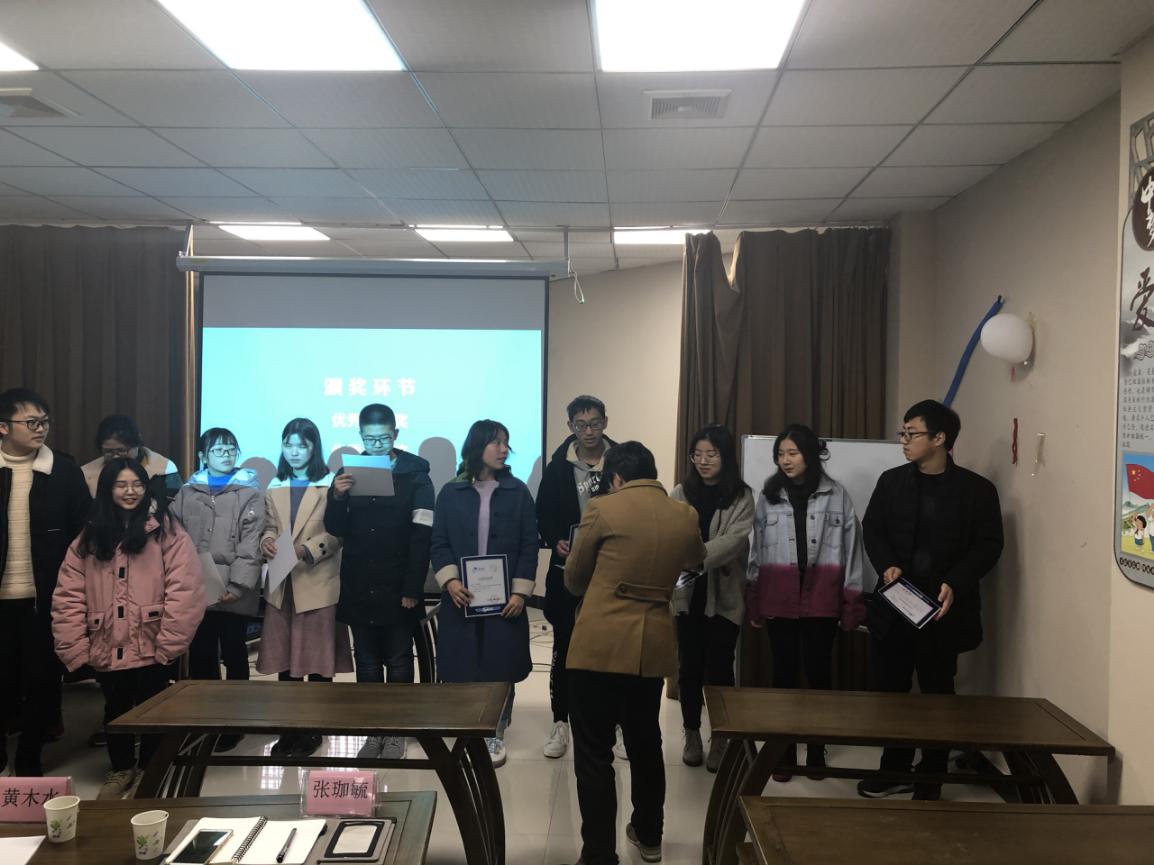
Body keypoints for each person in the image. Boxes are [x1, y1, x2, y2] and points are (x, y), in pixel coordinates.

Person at [562, 441, 706, 865]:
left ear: (616, 478)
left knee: (594, 753)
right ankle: (649, 836)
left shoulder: (602, 509)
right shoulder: (684, 514)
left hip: (599, 645)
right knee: (645, 743)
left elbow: (574, 579)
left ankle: (598, 854)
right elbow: (695, 559)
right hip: (651, 646)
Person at [858, 400, 1003, 801]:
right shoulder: (892, 481)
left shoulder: (977, 490)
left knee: (938, 693)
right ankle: (894, 768)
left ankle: (931, 777)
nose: (903, 441)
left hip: (942, 612)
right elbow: (873, 528)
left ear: (940, 438)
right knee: (891, 692)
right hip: (896, 605)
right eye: (902, 433)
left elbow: (989, 545)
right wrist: (886, 564)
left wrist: (956, 580)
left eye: (912, 433)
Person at [52, 458, 205, 798]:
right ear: (108, 489)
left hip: (153, 641)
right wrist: (74, 646)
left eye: (137, 484)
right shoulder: (90, 535)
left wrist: (171, 641)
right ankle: (121, 768)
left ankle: (152, 768)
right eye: (121, 484)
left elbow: (186, 588)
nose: (130, 491)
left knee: (155, 708)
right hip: (107, 641)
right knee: (116, 708)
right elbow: (68, 595)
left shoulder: (165, 529)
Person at [746, 424, 867, 782]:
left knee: (818, 674)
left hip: (821, 596)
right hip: (779, 596)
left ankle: (816, 748)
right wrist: (754, 597)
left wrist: (852, 600)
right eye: (780, 454)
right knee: (782, 674)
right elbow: (756, 551)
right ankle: (781, 751)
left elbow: (852, 551)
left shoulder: (836, 494)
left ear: (810, 455)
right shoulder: (769, 496)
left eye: (793, 453)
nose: (785, 460)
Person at [324, 404, 433, 761]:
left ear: (395, 435)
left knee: (399, 659)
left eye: (383, 439)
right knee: (367, 661)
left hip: (399, 582)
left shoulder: (416, 475)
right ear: (360, 436)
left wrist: (412, 588)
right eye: (369, 440)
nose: (376, 445)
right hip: (359, 581)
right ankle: (373, 731)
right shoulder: (347, 473)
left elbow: (422, 535)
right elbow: (336, 528)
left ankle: (397, 731)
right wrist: (337, 496)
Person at [430, 420, 536, 769]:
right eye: (496, 443)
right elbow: (439, 542)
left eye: (506, 443)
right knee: (462, 661)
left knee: (500, 663)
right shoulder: (451, 492)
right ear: (477, 446)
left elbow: (528, 545)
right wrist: (450, 581)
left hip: (505, 598)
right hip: (462, 595)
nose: (504, 450)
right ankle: (467, 728)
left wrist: (520, 593)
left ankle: (495, 730)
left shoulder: (517, 491)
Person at [0, 388, 90, 776]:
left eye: (45, 422)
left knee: (41, 680)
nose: (41, 429)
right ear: (3, 427)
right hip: (2, 599)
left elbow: (83, 533)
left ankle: (29, 758)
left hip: (46, 597)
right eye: (31, 422)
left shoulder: (64, 470)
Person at [257, 418, 350, 759]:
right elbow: (269, 526)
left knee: (318, 664)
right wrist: (267, 541)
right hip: (283, 582)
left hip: (317, 580)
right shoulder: (275, 485)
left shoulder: (330, 484)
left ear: (314, 447)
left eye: (302, 445)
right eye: (288, 445)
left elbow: (339, 531)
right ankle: (289, 729)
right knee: (286, 664)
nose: (294, 452)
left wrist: (307, 549)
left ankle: (313, 729)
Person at [171, 427, 264, 752]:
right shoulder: (187, 492)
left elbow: (251, 544)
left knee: (235, 653)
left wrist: (238, 585)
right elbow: (175, 539)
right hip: (197, 588)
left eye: (230, 449)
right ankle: (206, 720)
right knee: (201, 653)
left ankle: (234, 722)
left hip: (235, 589)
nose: (226, 455)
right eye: (218, 450)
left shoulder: (250, 491)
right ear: (203, 456)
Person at [535, 394, 617, 760]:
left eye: (595, 423)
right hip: (567, 571)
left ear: (605, 423)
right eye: (581, 424)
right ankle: (560, 722)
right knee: (565, 647)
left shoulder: (621, 461)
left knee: (611, 650)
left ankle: (614, 723)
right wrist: (556, 539)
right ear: (570, 426)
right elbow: (543, 513)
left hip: (611, 571)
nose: (589, 431)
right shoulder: (557, 467)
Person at [669, 424, 754, 771]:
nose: (703, 461)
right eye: (698, 454)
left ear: (725, 456)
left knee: (720, 668)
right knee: (688, 667)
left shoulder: (741, 495)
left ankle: (720, 737)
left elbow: (735, 540)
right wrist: (689, 558)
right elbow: (673, 533)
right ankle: (691, 732)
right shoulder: (681, 492)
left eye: (712, 454)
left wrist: (696, 558)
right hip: (688, 596)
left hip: (725, 596)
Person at [80, 415, 181, 503]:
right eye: (108, 452)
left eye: (121, 450)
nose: (115, 457)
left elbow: (176, 507)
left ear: (137, 444)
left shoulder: (164, 470)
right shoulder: (86, 474)